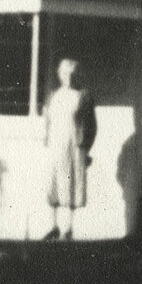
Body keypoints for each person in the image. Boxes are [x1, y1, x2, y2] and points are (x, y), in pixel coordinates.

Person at [42, 57, 97, 240]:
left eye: (72, 74)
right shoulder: (54, 96)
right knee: (54, 184)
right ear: (59, 74)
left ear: (77, 75)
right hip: (56, 145)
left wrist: (86, 148)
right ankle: (53, 226)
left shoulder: (83, 96)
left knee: (72, 184)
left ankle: (68, 229)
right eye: (65, 73)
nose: (69, 77)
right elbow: (49, 121)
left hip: (74, 146)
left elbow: (92, 126)